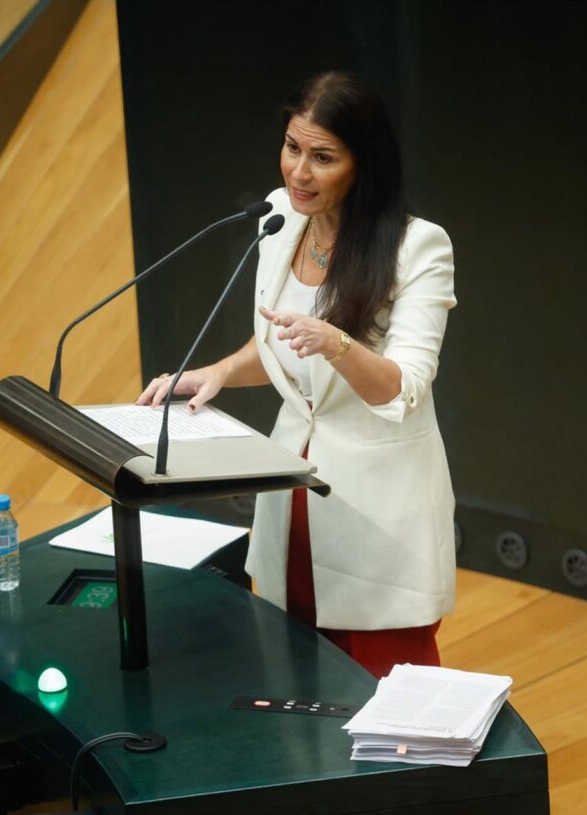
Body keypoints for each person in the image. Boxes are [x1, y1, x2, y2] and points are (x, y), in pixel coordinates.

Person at [137, 71, 456, 679]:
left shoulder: (417, 247)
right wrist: (219, 371)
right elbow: (284, 344)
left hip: (377, 516)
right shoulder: (281, 218)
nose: (299, 173)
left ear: (364, 164)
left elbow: (404, 389)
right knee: (295, 684)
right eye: (292, 148)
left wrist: (336, 342)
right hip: (292, 495)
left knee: (380, 694)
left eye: (323, 158)